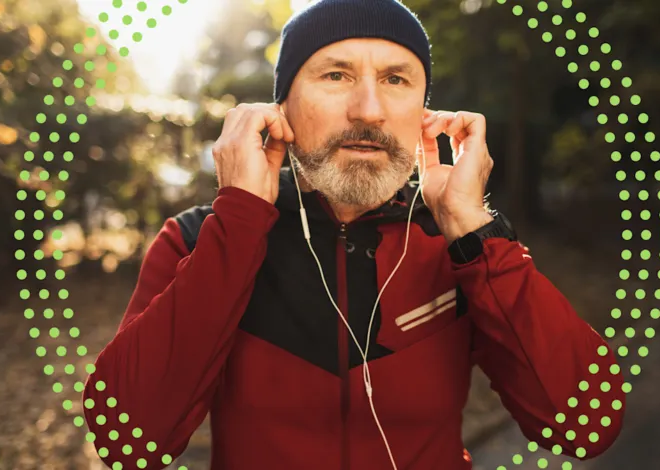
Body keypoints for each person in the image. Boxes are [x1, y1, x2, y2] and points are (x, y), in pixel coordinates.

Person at [83, 1, 625, 469]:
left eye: (396, 80)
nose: (369, 109)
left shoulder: (459, 246)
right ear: (282, 109)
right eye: (335, 75)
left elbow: (587, 425)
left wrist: (470, 226)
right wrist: (240, 220)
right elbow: (127, 442)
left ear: (423, 113)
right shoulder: (201, 240)